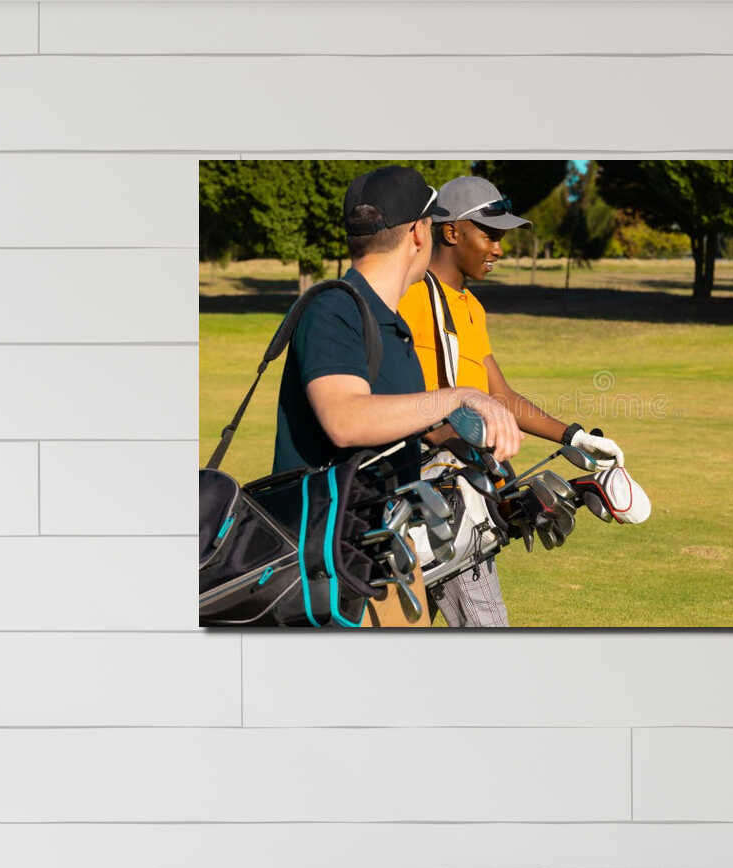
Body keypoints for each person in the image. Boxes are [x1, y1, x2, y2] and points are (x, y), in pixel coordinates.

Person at [396, 174, 643, 628]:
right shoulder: (410, 297)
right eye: (489, 235)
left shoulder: (470, 308)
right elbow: (409, 405)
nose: (498, 249)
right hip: (433, 495)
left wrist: (575, 437)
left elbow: (501, 395)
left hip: (463, 489)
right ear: (450, 232)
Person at [272, 166, 522, 483]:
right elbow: (345, 420)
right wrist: (459, 397)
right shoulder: (334, 308)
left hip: (370, 530)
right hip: (318, 532)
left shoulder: (393, 326)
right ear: (419, 233)